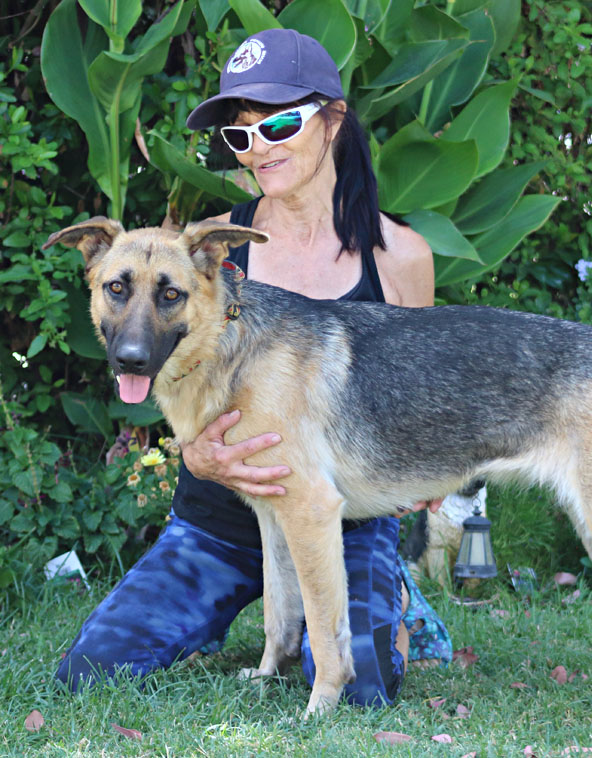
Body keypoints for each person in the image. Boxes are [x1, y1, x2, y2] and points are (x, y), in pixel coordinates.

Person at [56, 28, 452, 707]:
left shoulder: (401, 257)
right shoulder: (208, 248)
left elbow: (416, 394)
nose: (258, 148)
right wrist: (197, 457)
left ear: (333, 120)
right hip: (219, 522)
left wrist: (430, 467)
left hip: (342, 522)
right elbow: (175, 383)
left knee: (363, 688)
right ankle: (246, 611)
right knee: (90, 671)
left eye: (279, 125)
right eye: (240, 134)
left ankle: (388, 591)